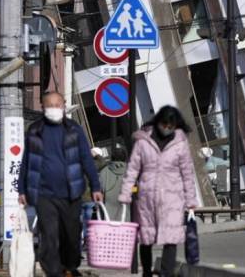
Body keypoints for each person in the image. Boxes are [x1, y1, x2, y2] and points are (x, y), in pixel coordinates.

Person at [19, 92, 103, 277]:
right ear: (42, 107)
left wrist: (95, 186)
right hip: (43, 194)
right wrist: (22, 189)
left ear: (64, 106)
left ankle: (69, 266)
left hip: (71, 192)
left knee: (71, 234)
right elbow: (26, 160)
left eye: (57, 105)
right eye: (50, 105)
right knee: (49, 235)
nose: (54, 109)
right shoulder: (34, 130)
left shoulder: (74, 129)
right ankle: (53, 272)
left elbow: (86, 159)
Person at [119, 106, 198, 277]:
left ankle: (165, 273)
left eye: (171, 126)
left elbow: (187, 173)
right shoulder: (142, 142)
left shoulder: (180, 144)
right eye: (165, 124)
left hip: (173, 197)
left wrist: (191, 200)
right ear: (158, 122)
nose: (167, 128)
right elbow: (132, 169)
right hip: (147, 196)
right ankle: (146, 272)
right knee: (145, 237)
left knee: (171, 238)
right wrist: (125, 193)